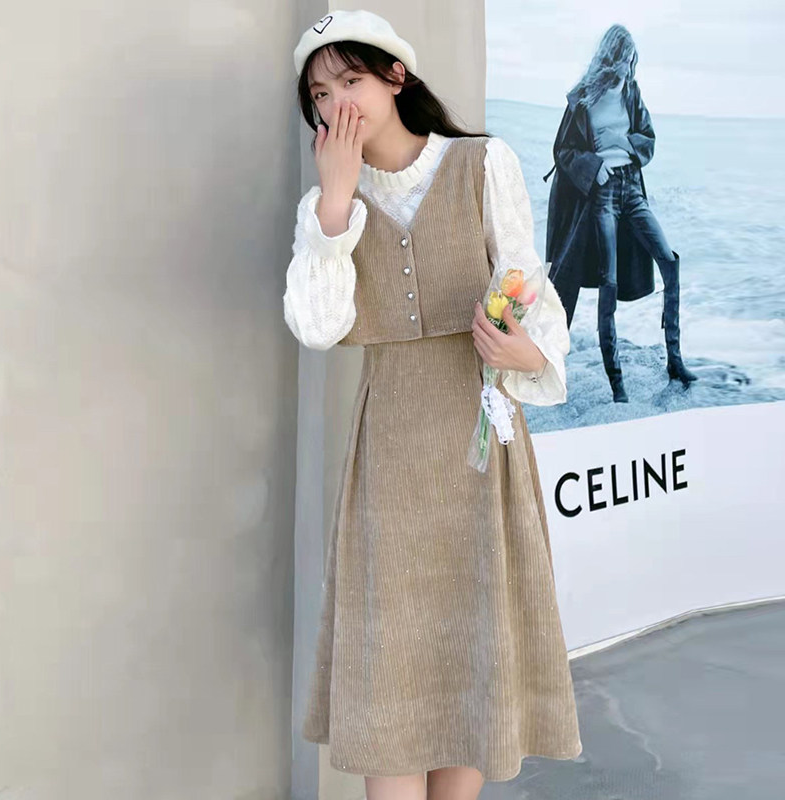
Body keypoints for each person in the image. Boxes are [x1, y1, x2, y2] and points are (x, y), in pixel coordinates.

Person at [285, 10, 582, 799]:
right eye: (320, 94)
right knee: (393, 673)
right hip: (391, 455)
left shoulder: (483, 164)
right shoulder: (330, 209)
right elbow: (317, 327)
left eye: (350, 80)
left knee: (471, 665)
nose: (336, 104)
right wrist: (336, 203)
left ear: (396, 77)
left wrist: (527, 355)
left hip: (479, 445)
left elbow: (530, 292)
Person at [543, 24, 698, 403]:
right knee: (607, 281)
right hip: (603, 193)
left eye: (633, 61)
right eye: (626, 60)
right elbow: (562, 151)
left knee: (669, 261)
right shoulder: (583, 97)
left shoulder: (631, 91)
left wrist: (625, 142)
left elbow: (648, 138)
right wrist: (594, 166)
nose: (630, 68)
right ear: (612, 57)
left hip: (632, 189)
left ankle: (675, 361)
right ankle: (618, 386)